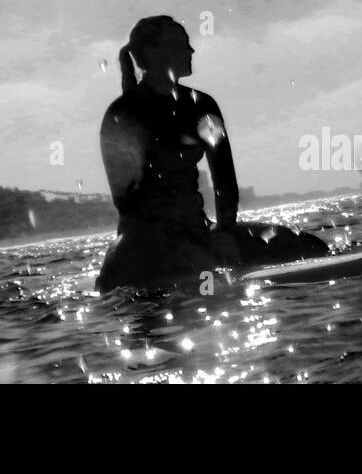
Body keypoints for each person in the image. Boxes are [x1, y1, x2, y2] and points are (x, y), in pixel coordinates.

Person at [96, 15, 329, 291]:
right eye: (181, 44)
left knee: (312, 247)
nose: (191, 51)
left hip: (198, 230)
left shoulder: (202, 106)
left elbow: (224, 178)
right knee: (198, 272)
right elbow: (126, 199)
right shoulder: (120, 115)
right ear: (153, 52)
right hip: (143, 240)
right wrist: (179, 246)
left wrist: (225, 232)